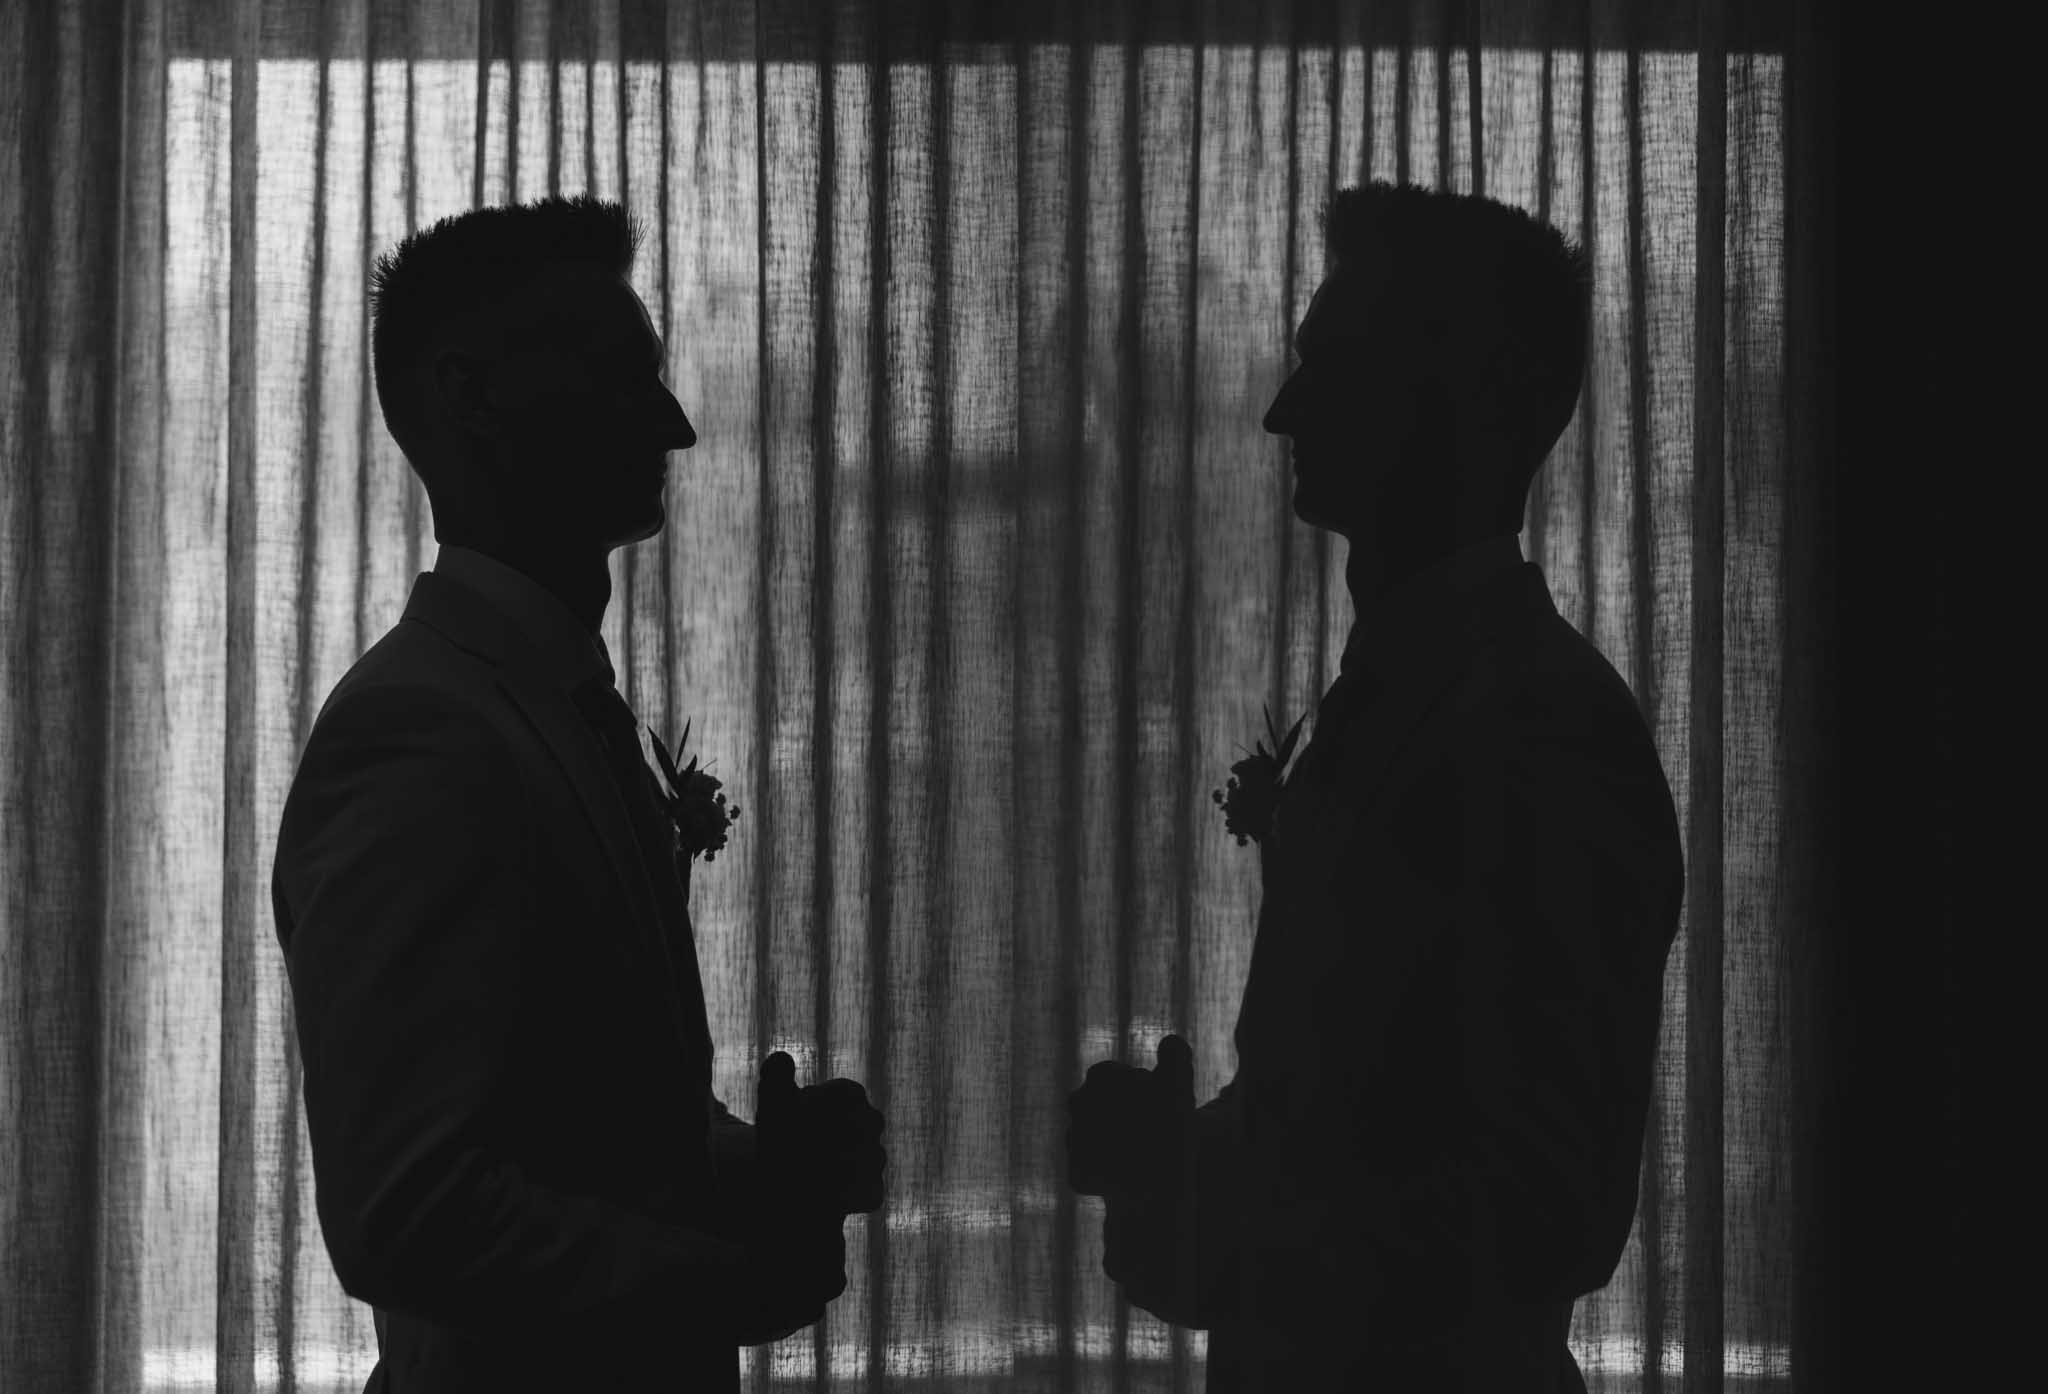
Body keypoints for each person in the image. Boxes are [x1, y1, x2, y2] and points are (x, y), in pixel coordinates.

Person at [1066, 182, 1686, 1392]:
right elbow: (1350, 1119)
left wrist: (1224, 1228)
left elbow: (1547, 1202)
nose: (1281, 409)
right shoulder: (1416, 700)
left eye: (1331, 366)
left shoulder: (1547, 731)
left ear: (1458, 399)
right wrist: (1172, 1165)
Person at [270, 193, 884, 1393]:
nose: (673, 423)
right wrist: (725, 1277)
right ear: (470, 395)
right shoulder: (418, 737)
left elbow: (578, 1129)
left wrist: (761, 1169)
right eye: (616, 373)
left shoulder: (545, 711)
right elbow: (409, 1210)